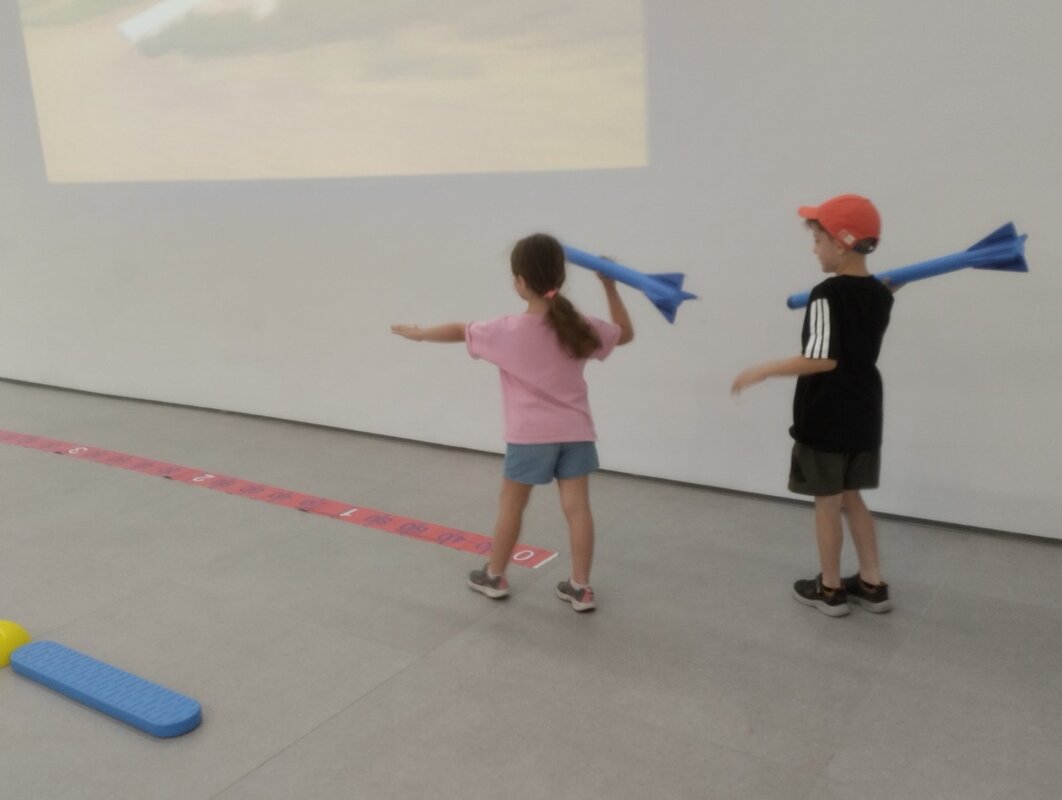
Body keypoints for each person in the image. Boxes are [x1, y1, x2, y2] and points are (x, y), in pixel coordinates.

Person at [391, 233, 634, 611]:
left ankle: (495, 576)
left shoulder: (506, 330)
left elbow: (459, 330)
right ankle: (581, 588)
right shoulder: (579, 326)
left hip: (530, 437)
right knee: (578, 510)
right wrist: (610, 286)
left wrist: (420, 334)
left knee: (511, 507)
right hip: (577, 433)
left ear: (520, 281)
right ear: (560, 278)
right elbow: (625, 334)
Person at [732, 194, 895, 617]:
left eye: (818, 240)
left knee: (828, 501)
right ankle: (873, 583)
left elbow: (822, 358)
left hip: (827, 413)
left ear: (841, 243)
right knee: (852, 497)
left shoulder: (825, 294)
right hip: (865, 410)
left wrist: (764, 369)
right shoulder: (881, 293)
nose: (814, 249)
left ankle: (831, 588)